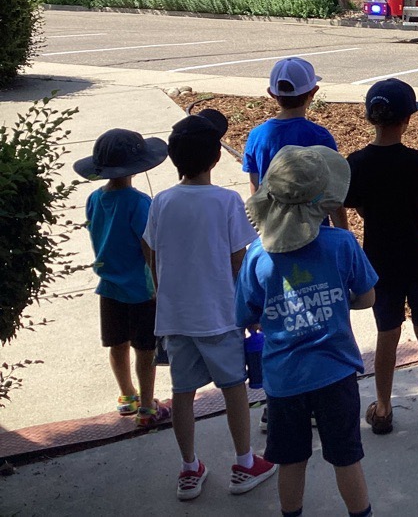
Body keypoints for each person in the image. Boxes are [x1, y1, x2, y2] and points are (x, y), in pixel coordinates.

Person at [142, 110, 277, 501]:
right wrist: (252, 307)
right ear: (216, 157)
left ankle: (189, 469)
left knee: (182, 392)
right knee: (234, 386)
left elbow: (150, 249)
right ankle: (244, 462)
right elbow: (241, 259)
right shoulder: (226, 201)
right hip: (219, 313)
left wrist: (161, 288)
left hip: (175, 317)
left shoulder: (161, 202)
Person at [237, 145, 379, 517]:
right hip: (337, 374)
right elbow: (366, 298)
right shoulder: (342, 244)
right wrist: (335, 300)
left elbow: (246, 313)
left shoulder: (257, 256)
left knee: (291, 460)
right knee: (347, 458)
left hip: (284, 381)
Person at [343, 78, 418, 435]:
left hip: (379, 264)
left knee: (386, 334)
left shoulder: (356, 162)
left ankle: (384, 408)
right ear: (407, 120)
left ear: (371, 118)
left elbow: (349, 203)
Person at [74, 128, 170, 427]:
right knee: (145, 348)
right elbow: (148, 248)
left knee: (116, 344)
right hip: (141, 290)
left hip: (109, 285)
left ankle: (126, 396)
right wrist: (159, 283)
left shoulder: (93, 199)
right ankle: (147, 406)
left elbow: (95, 232)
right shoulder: (140, 203)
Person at [242, 57, 347, 228]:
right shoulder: (320, 137)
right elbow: (332, 194)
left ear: (271, 93)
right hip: (315, 231)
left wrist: (261, 228)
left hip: (275, 232)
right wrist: (343, 233)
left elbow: (256, 189)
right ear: (313, 92)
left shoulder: (257, 136)